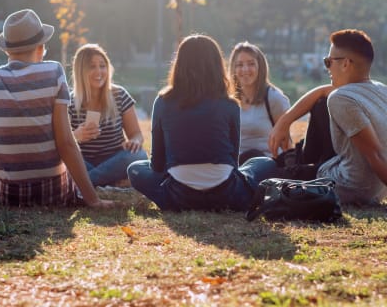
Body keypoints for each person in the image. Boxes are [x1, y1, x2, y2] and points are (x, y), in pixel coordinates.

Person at [127, 34, 276, 212]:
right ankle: (242, 196)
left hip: (179, 195)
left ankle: (172, 200)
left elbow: (157, 165)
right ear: (217, 66)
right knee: (266, 163)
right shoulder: (229, 104)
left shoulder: (162, 101)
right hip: (227, 194)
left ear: (179, 65)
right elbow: (233, 163)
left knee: (135, 169)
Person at [0, 9, 113, 207]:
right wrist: (93, 200)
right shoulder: (53, 72)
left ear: (7, 50)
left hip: (6, 195)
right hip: (52, 193)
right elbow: (66, 143)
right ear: (41, 47)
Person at [269, 29, 387, 205]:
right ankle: (299, 165)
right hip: (376, 189)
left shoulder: (341, 98)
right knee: (320, 105)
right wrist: (285, 121)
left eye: (329, 61)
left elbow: (376, 153)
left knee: (264, 171)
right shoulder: (380, 89)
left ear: (346, 64)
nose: (327, 68)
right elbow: (323, 91)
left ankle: (297, 167)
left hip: (348, 186)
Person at [69, 43, 147, 187]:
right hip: (84, 161)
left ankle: (86, 184)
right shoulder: (69, 102)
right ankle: (108, 183)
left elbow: (136, 134)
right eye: (92, 66)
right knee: (64, 160)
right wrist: (76, 136)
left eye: (102, 66)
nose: (99, 71)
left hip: (115, 160)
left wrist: (135, 141)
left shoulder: (120, 95)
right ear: (81, 70)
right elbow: (62, 144)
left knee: (139, 155)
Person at [228, 41, 290, 164]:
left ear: (260, 67)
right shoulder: (229, 101)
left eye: (251, 64)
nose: (245, 69)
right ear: (234, 69)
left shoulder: (274, 98)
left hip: (267, 165)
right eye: (239, 65)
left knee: (254, 156)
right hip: (237, 165)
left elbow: (287, 144)